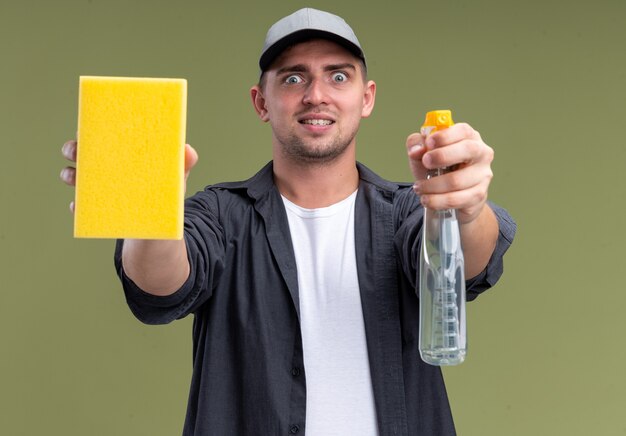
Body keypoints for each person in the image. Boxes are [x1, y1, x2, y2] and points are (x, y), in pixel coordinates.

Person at [60, 8, 515, 436]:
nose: (316, 95)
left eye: (338, 76)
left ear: (366, 97)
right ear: (261, 102)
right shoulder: (221, 215)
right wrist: (150, 212)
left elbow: (472, 262)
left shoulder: (407, 211)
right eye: (293, 77)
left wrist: (466, 208)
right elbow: (159, 289)